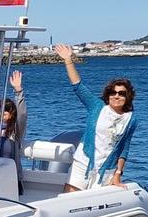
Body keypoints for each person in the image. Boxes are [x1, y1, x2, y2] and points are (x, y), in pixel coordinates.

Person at [53, 44, 137, 191]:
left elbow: (124, 149)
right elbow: (78, 86)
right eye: (113, 92)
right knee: (69, 200)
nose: (116, 96)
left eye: (121, 93)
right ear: (108, 94)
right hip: (83, 162)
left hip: (106, 170)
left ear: (128, 97)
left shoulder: (130, 119)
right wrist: (68, 60)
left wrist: (118, 174)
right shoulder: (97, 107)